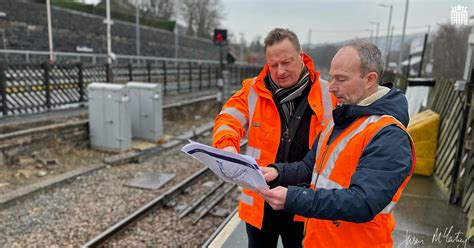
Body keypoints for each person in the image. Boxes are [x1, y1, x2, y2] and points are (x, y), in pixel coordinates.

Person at [257, 40, 416, 248]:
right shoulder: (339, 120)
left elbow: (363, 202)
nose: (331, 88)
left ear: (370, 79)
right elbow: (308, 167)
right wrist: (277, 173)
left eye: (340, 79)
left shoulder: (389, 136)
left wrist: (293, 198)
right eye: (331, 78)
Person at [212, 28, 334, 247]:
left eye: (286, 62)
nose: (280, 71)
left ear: (301, 55)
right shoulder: (253, 91)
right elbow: (227, 120)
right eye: (273, 65)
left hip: (305, 205)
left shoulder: (328, 94)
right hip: (262, 202)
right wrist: (227, 147)